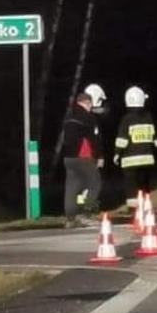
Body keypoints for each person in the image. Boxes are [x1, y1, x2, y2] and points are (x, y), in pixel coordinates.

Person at [58, 88, 105, 227]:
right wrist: (100, 156)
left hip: (68, 158)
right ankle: (87, 214)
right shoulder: (89, 118)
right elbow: (95, 139)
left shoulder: (68, 117)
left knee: (71, 187)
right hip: (83, 156)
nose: (91, 107)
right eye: (90, 104)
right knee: (95, 183)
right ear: (87, 103)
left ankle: (70, 219)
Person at [113, 86, 157, 208]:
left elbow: (122, 139)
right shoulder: (148, 117)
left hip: (130, 160)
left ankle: (134, 208)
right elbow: (154, 138)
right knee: (145, 183)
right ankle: (146, 204)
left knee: (131, 183)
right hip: (147, 159)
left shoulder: (126, 119)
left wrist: (117, 153)